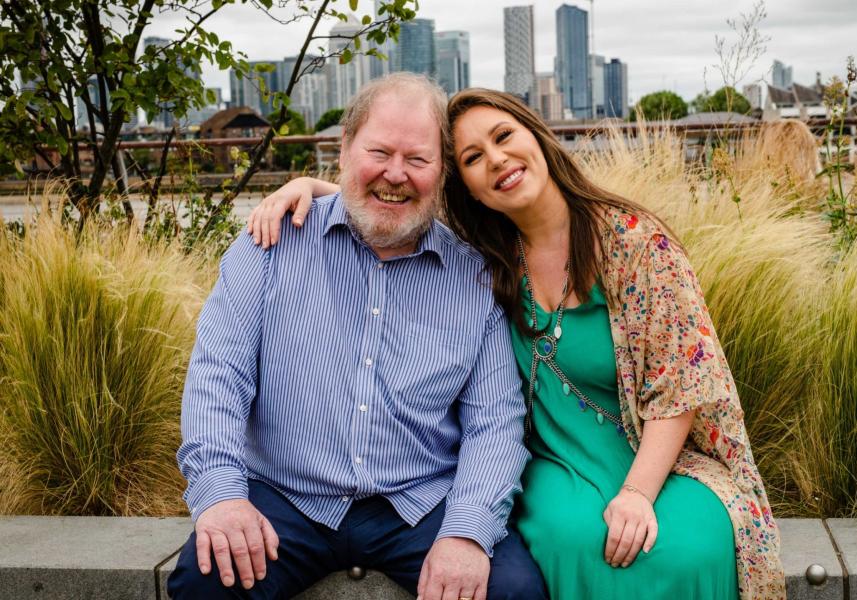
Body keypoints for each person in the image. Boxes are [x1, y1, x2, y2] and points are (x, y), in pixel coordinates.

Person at [249, 89, 786, 599]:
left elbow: (682, 384)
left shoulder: (635, 242)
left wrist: (639, 494)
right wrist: (311, 186)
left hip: (656, 453)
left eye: (505, 136)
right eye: (474, 158)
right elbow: (393, 202)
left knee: (685, 547)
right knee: (571, 537)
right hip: (554, 458)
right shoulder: (486, 255)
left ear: (537, 134)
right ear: (467, 186)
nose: (498, 160)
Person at [168, 74, 547, 600]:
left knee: (513, 591)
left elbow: (495, 422)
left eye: (417, 159)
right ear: (345, 150)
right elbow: (218, 377)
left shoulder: (475, 277)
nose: (396, 174)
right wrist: (221, 496)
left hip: (419, 502)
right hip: (285, 495)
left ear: (441, 172)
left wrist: (466, 530)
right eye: (379, 152)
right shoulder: (269, 244)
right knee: (206, 583)